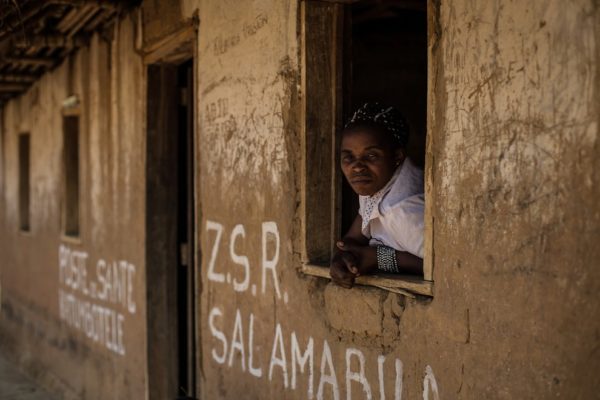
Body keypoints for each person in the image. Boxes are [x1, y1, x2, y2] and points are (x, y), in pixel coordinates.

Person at [330, 103, 424, 288]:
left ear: (396, 156)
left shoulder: (404, 212)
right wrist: (345, 256)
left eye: (371, 156)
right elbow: (353, 238)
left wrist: (377, 258)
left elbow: (442, 267)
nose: (357, 167)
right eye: (348, 157)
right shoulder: (377, 183)